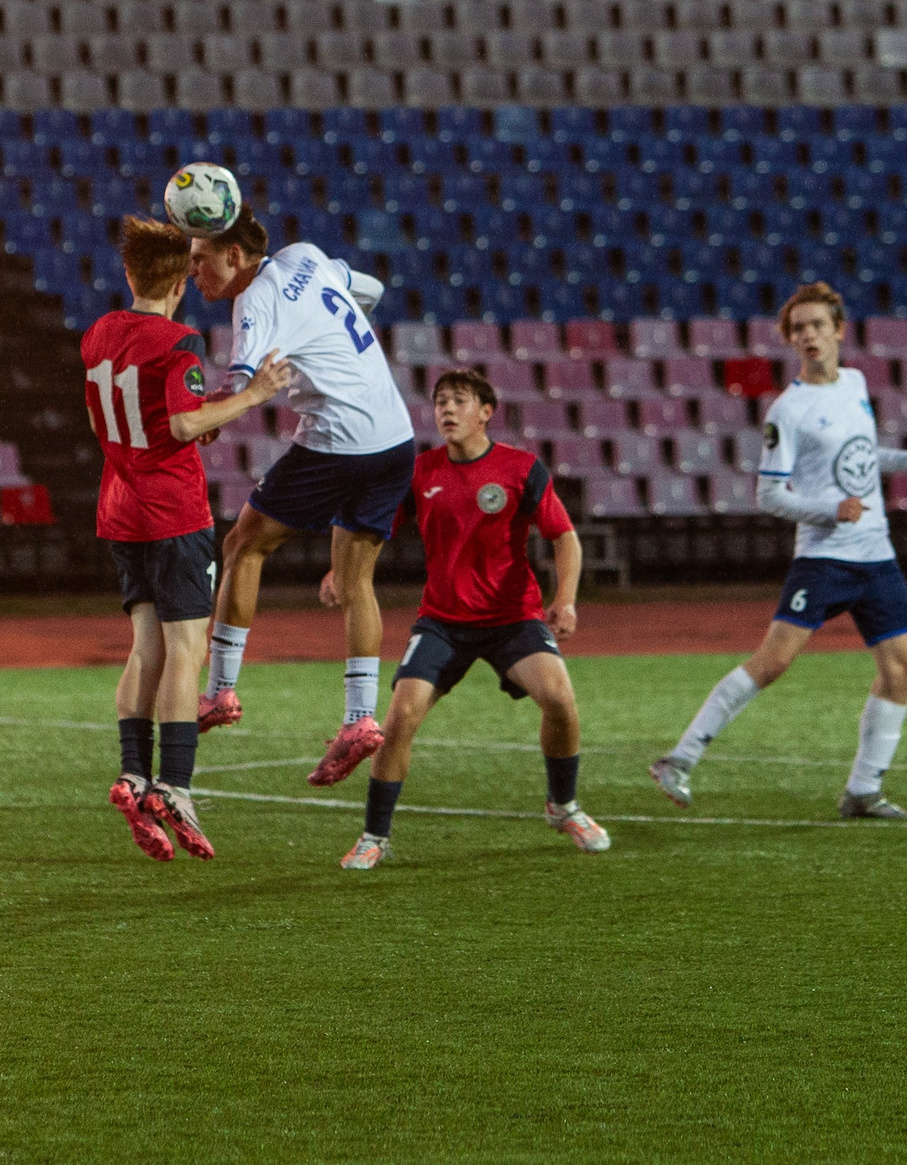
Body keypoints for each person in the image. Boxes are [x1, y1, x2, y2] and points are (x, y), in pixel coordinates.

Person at [649, 282, 907, 820]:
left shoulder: (855, 382)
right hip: (825, 557)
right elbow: (769, 495)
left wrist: (904, 462)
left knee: (901, 669)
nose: (808, 335)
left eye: (817, 326)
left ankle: (863, 792)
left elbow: (858, 457)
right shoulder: (789, 409)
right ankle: (680, 758)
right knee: (774, 662)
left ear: (839, 332)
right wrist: (831, 510)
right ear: (790, 339)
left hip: (876, 554)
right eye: (798, 328)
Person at [82, 216, 296, 861]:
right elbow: (180, 422)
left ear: (128, 275)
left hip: (119, 506)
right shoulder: (178, 342)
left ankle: (132, 772)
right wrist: (253, 394)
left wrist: (195, 419)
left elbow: (147, 414)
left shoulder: (99, 334)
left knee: (145, 645)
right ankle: (174, 786)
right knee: (184, 651)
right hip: (172, 512)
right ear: (179, 282)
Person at [339, 368, 609, 871]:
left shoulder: (522, 468)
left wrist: (565, 599)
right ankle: (374, 836)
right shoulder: (420, 472)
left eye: (458, 400)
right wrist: (344, 572)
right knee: (399, 720)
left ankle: (563, 806)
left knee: (560, 700)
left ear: (486, 412)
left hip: (513, 619)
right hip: (442, 621)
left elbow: (564, 536)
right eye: (440, 401)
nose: (446, 409)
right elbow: (375, 530)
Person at [188, 204, 414, 787]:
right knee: (355, 579)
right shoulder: (307, 257)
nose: (193, 272)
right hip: (394, 436)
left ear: (234, 254)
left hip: (338, 440)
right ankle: (360, 720)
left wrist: (215, 411)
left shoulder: (252, 299)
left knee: (244, 545)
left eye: (200, 258)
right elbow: (370, 289)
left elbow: (245, 384)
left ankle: (218, 692)